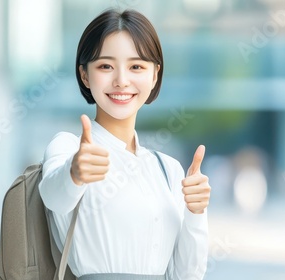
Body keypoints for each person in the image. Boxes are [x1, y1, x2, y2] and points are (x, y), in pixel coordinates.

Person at [39, 8, 211, 280]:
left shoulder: (169, 171)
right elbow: (54, 197)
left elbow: (187, 275)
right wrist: (74, 174)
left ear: (154, 75)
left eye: (136, 67)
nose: (121, 80)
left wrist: (196, 212)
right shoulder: (68, 149)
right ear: (85, 75)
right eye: (106, 66)